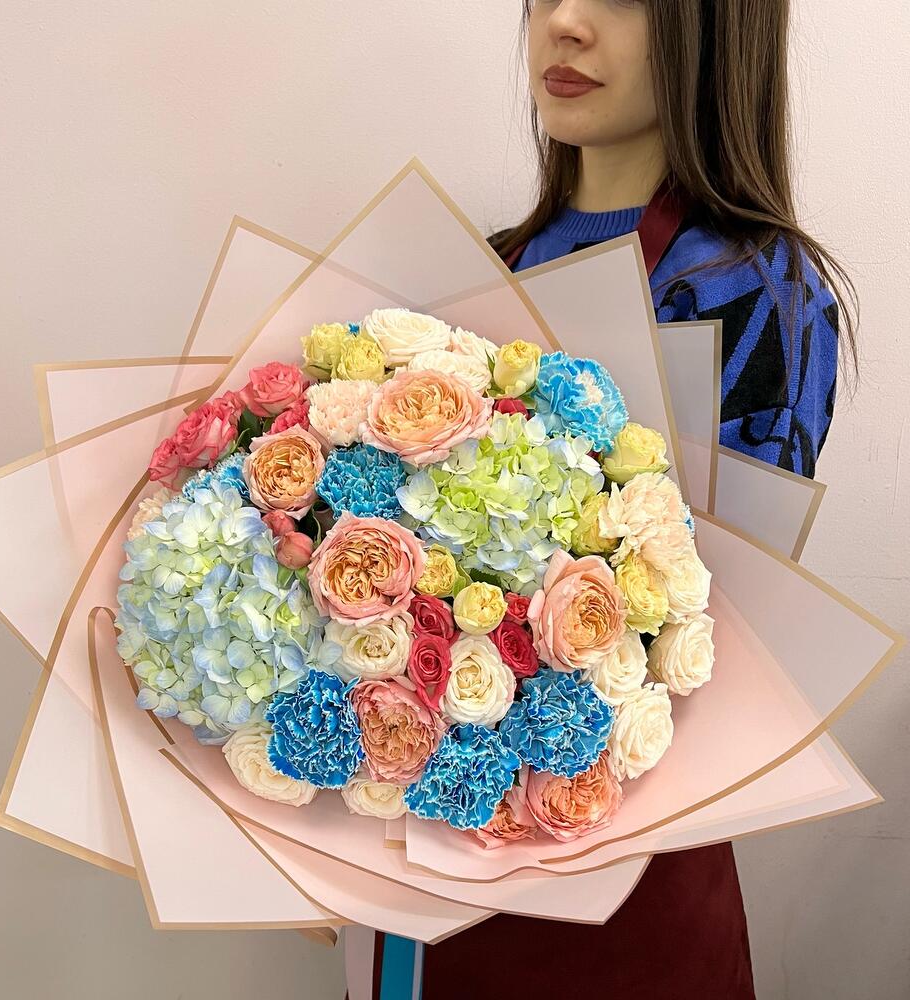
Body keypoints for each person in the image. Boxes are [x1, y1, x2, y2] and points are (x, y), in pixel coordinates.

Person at [354, 1, 860, 998]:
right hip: (422, 861)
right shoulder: (481, 269)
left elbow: (720, 638)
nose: (566, 22)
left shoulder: (758, 293)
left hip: (625, 873)